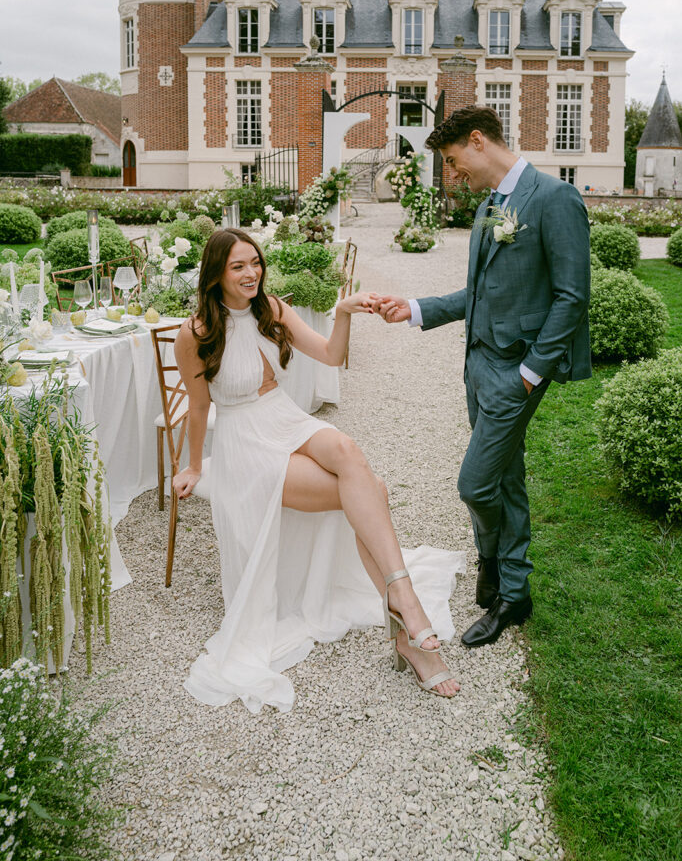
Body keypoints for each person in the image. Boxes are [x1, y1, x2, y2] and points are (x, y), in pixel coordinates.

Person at [173, 228, 464, 711]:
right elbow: (200, 408)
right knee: (372, 492)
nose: (251, 274)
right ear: (216, 274)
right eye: (238, 267)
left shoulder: (274, 310)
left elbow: (330, 354)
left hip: (284, 418)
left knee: (349, 453)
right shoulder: (197, 333)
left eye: (256, 263)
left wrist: (344, 312)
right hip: (246, 442)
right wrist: (193, 465)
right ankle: (406, 621)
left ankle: (402, 600)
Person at [375, 106, 591, 648]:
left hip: (515, 372)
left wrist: (529, 372)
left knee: (474, 482)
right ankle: (512, 591)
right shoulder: (492, 204)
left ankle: (493, 561)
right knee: (505, 477)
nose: (453, 173)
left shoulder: (554, 198)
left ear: (478, 141)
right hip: (477, 366)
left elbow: (572, 296)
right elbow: (476, 293)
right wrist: (415, 307)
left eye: (452, 161)